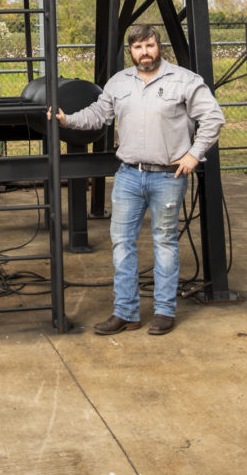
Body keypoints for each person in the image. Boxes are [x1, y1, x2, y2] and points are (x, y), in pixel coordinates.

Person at [48, 23, 223, 336]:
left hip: (168, 176)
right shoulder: (118, 83)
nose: (145, 52)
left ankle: (164, 312)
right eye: (138, 47)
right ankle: (126, 313)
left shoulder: (184, 80)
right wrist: (67, 119)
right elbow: (98, 115)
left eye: (150, 46)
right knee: (121, 244)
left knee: (165, 243)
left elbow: (213, 117)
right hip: (128, 175)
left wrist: (194, 154)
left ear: (159, 47)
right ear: (130, 51)